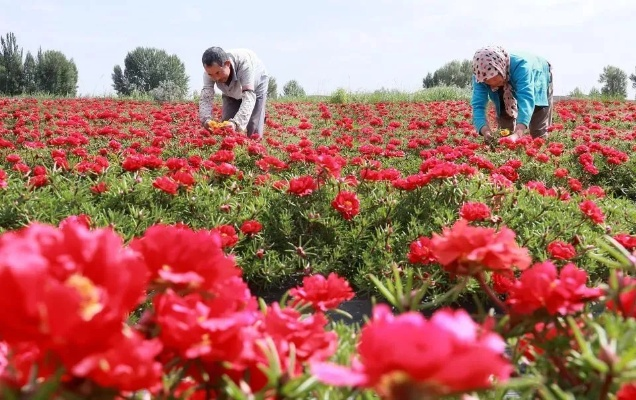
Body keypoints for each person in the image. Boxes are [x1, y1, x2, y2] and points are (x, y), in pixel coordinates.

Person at [471, 46, 553, 142]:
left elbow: (526, 98)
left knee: (538, 128)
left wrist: (517, 134)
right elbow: (478, 106)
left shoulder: (521, 67)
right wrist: (485, 131)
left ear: (501, 69)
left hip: (539, 73)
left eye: (495, 79)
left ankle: (541, 147)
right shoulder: (480, 76)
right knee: (504, 128)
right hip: (505, 74)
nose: (493, 85)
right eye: (488, 82)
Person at [198, 47, 269, 139]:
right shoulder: (209, 73)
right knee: (226, 126)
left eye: (218, 73)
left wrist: (236, 123)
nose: (216, 78)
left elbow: (249, 96)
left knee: (253, 125)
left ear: (227, 64)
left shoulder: (244, 64)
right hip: (230, 91)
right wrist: (206, 119)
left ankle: (255, 148)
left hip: (255, 87)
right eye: (211, 75)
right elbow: (206, 97)